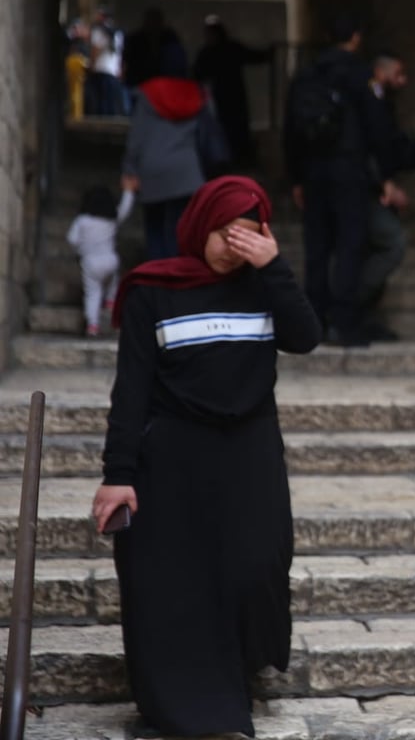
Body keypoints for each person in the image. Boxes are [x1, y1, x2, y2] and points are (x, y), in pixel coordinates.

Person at [91, 175, 321, 738]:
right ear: (198, 226)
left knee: (257, 566)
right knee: (176, 585)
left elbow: (306, 335)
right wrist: (118, 475)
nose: (231, 245)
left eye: (245, 234)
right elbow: (132, 390)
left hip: (250, 453)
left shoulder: (264, 285)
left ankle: (242, 665)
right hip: (171, 456)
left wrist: (273, 267)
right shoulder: (153, 289)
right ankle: (192, 706)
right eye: (223, 232)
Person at [283, 14, 396, 346]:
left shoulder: (307, 76)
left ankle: (314, 318)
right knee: (349, 244)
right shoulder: (361, 76)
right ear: (356, 38)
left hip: (313, 171)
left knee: (317, 246)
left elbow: (291, 130)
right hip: (349, 170)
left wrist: (296, 178)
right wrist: (386, 175)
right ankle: (343, 322)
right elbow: (378, 128)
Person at [123, 47, 226, 260]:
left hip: (152, 173)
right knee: (181, 233)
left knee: (155, 232)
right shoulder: (198, 93)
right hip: (188, 174)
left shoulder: (149, 93)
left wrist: (129, 169)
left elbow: (137, 137)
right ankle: (178, 281)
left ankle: (158, 280)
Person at [358, 53, 415, 340]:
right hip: (366, 189)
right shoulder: (369, 99)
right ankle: (353, 306)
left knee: (376, 248)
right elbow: (367, 147)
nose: (403, 81)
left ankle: (363, 315)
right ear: (381, 71)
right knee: (392, 243)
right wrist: (382, 184)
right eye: (398, 73)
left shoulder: (380, 100)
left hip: (373, 186)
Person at [192, 15, 272, 167]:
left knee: (236, 131)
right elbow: (197, 74)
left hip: (233, 98)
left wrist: (268, 54)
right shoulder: (207, 53)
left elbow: (254, 56)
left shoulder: (231, 48)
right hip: (217, 101)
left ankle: (239, 158)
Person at [66, 184, 134, 336]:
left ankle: (93, 325)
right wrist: (129, 191)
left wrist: (80, 251)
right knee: (113, 280)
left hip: (91, 262)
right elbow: (125, 210)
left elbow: (72, 239)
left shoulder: (82, 220)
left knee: (93, 293)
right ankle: (111, 301)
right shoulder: (111, 220)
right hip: (111, 260)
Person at [122, 8, 184, 91]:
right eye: (151, 21)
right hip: (140, 84)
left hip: (165, 87)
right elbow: (127, 61)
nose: (153, 25)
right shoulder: (136, 39)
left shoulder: (169, 39)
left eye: (156, 21)